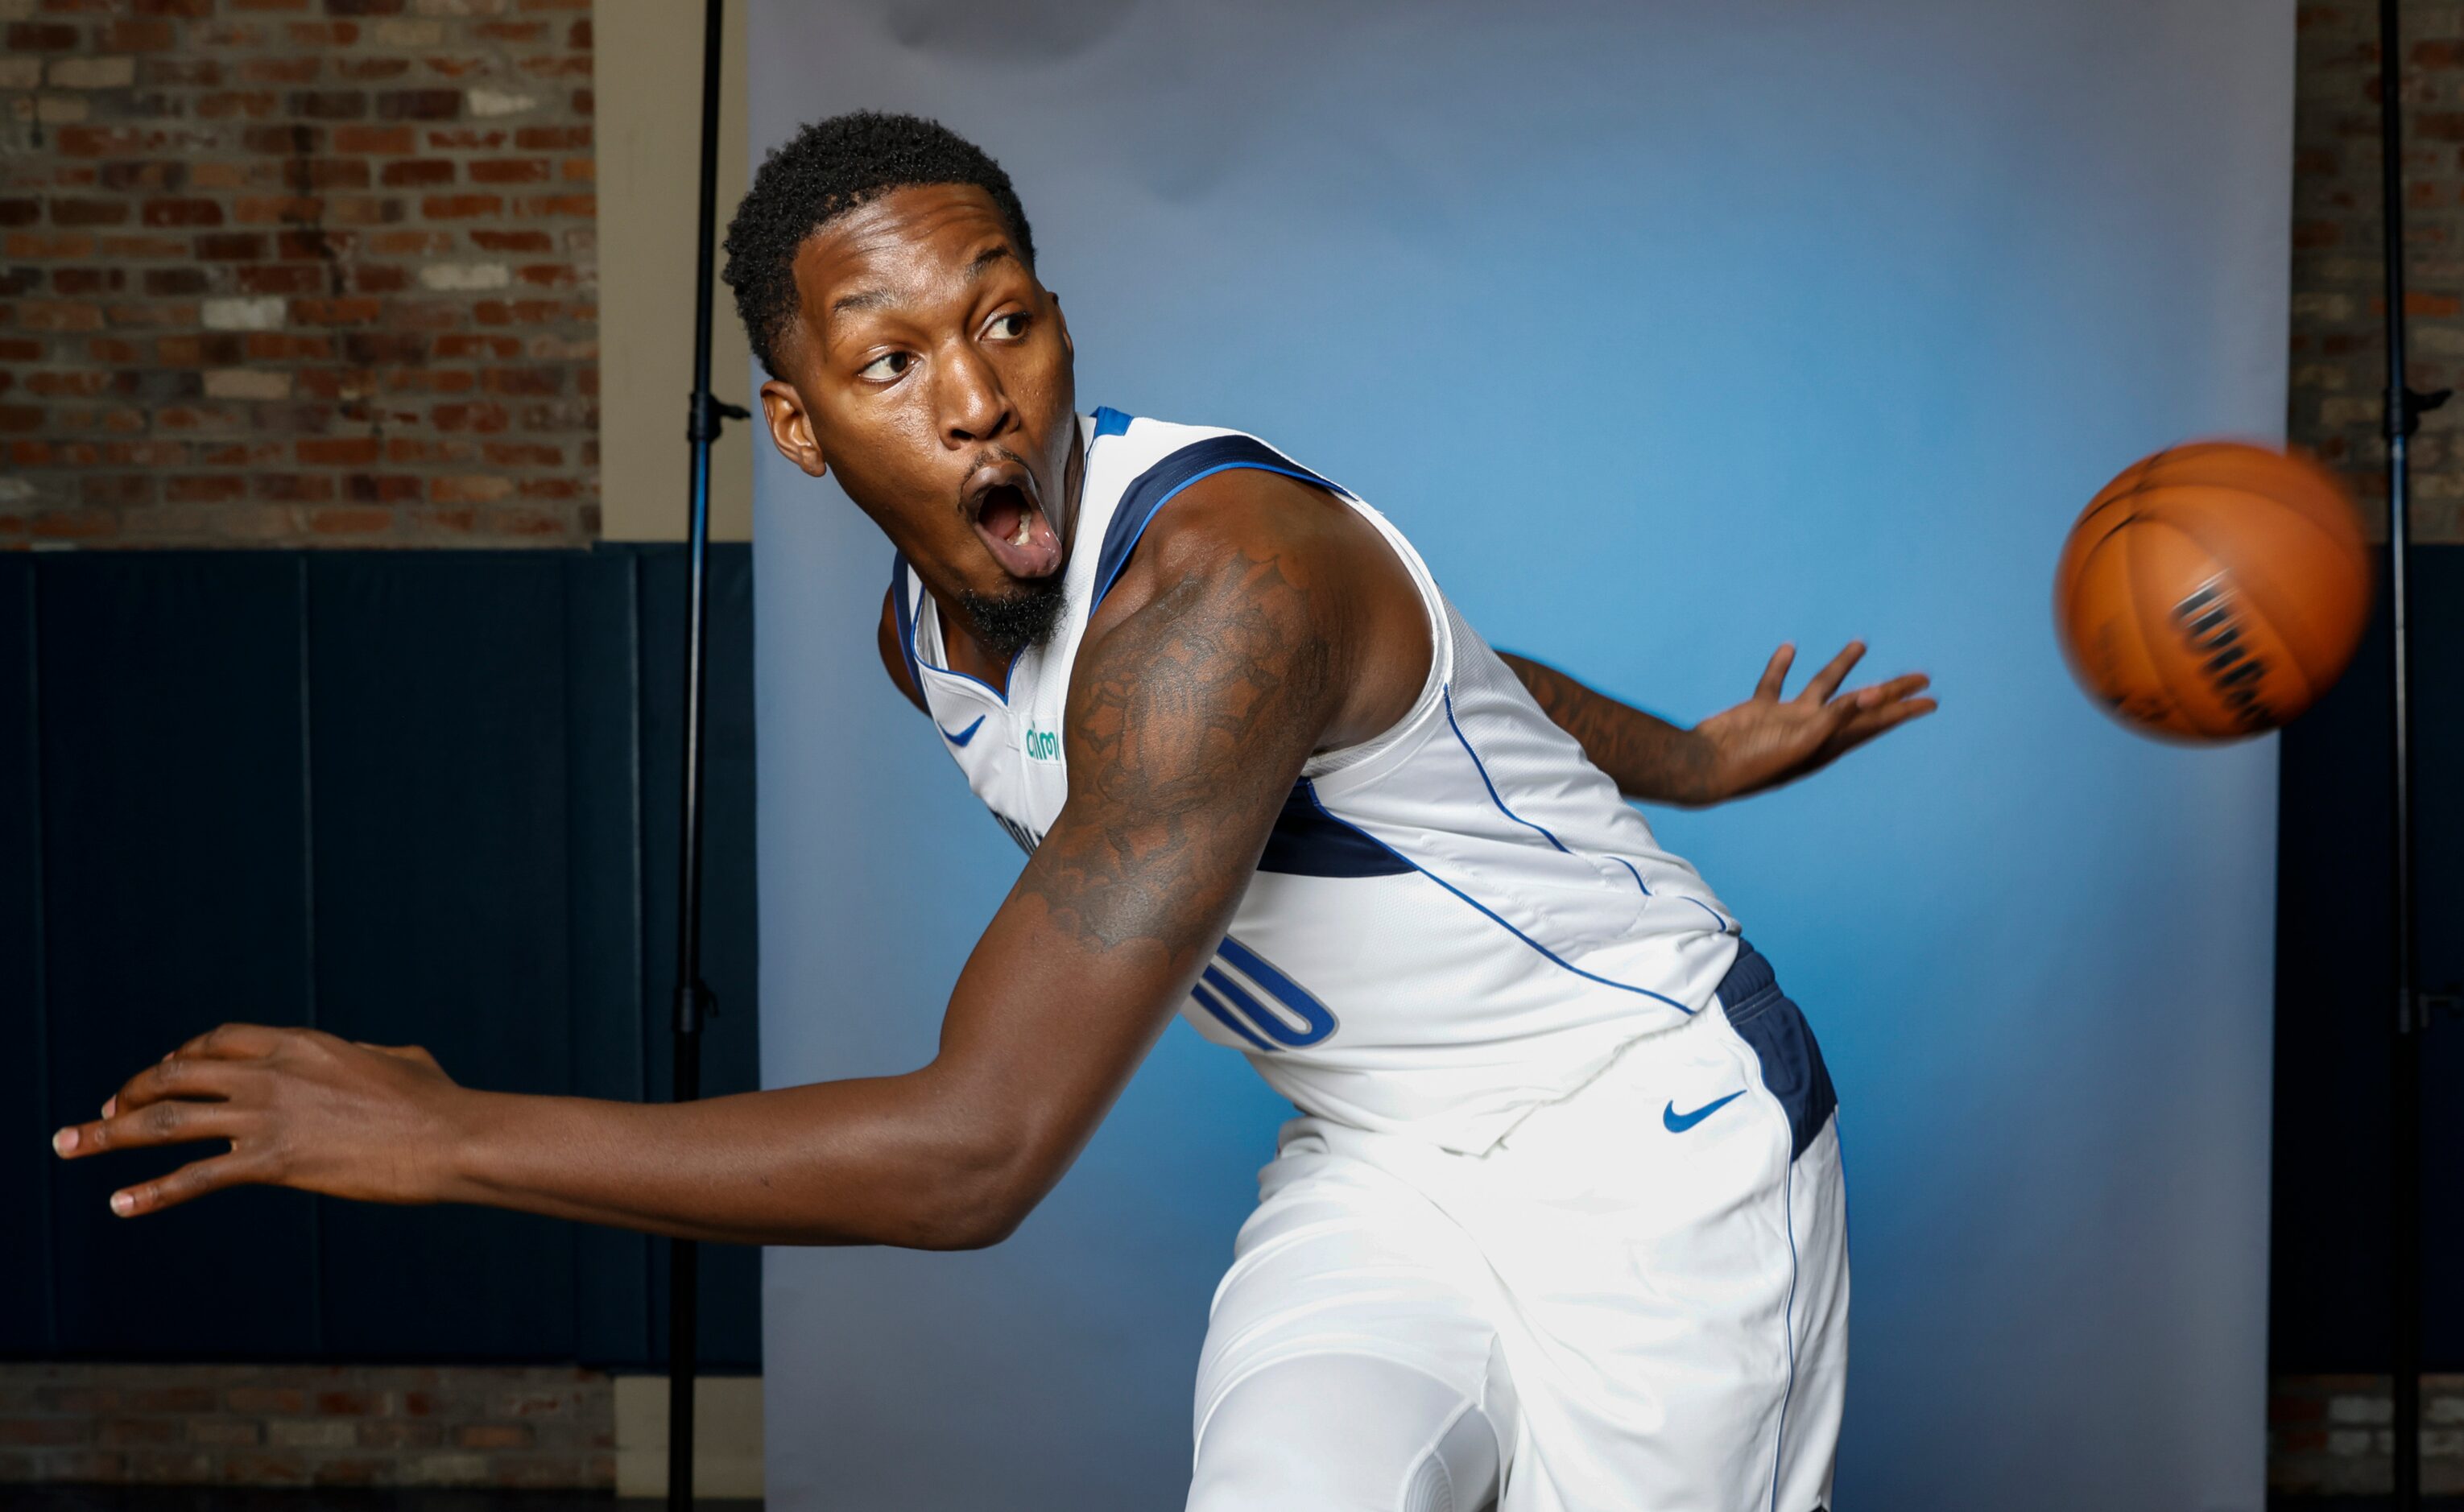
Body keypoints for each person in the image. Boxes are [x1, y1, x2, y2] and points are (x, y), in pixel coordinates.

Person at [52, 113, 1933, 1511]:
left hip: (1647, 1144)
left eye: (1009, 322)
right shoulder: (930, 633)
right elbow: (1454, 672)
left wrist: (453, 1136)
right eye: (888, 364)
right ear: (798, 427)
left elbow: (981, 1153)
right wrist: (1689, 753)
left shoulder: (1223, 590)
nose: (976, 401)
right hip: (1383, 1161)